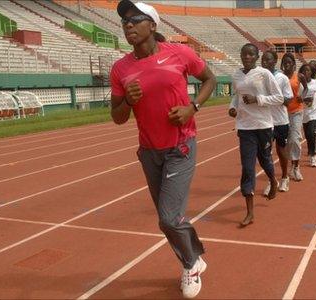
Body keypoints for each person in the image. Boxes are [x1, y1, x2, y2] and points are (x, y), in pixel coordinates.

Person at [110, 1, 216, 298]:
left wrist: (192, 108)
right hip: (149, 151)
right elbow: (117, 118)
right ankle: (194, 255)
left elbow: (210, 79)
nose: (128, 25)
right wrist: (127, 102)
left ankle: (191, 264)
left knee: (168, 218)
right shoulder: (121, 68)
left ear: (152, 25)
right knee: (170, 218)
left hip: (181, 146)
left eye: (135, 19)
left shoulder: (179, 53)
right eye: (124, 22)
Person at [228, 43, 283, 227]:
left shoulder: (264, 74)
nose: (247, 57)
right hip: (245, 127)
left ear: (257, 56)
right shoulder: (236, 75)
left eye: (251, 54)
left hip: (264, 125)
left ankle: (273, 180)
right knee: (248, 167)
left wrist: (257, 99)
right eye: (244, 54)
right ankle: (250, 212)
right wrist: (233, 107)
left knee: (265, 159)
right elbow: (236, 95)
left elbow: (279, 98)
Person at [261, 49, 294, 194]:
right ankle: (271, 180)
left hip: (280, 121)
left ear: (275, 61)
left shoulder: (281, 78)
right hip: (264, 121)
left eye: (268, 60)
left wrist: (274, 98)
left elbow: (288, 100)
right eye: (263, 60)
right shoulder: (259, 76)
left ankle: (285, 177)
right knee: (265, 153)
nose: (264, 62)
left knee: (281, 151)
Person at [281, 52, 307, 181]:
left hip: (296, 110)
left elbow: (306, 88)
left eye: (289, 63)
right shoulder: (279, 77)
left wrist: (302, 96)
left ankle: (295, 167)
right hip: (282, 113)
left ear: (294, 64)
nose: (287, 65)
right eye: (285, 63)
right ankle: (285, 169)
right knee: (284, 142)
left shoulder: (299, 76)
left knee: (294, 139)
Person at [298, 64, 316, 167]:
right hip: (304, 112)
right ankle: (311, 148)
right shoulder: (299, 84)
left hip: (315, 110)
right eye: (304, 71)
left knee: (311, 132)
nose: (306, 72)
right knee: (308, 135)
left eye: (308, 70)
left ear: (311, 72)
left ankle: (313, 157)